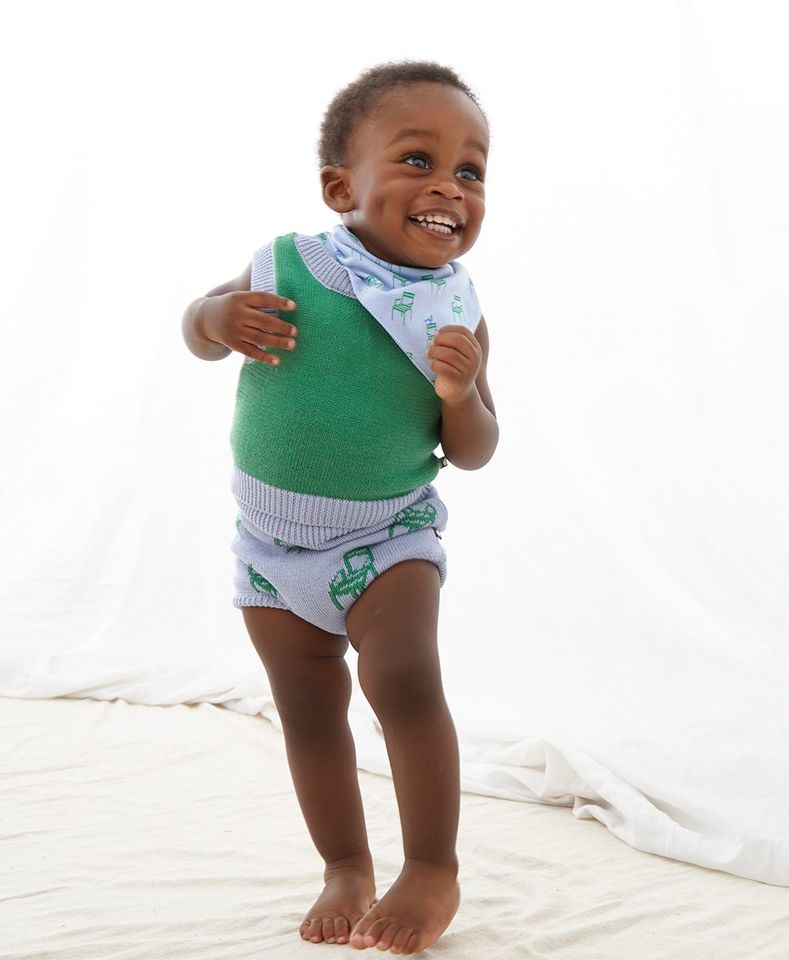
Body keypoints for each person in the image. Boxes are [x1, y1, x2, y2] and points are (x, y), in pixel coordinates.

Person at [181, 60, 499, 955]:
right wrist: (215, 320)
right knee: (310, 711)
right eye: (418, 160)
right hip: (269, 550)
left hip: (386, 539)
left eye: (471, 170)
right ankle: (345, 866)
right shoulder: (285, 263)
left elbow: (475, 450)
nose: (450, 185)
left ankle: (431, 868)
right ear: (340, 188)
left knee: (404, 682)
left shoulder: (454, 309)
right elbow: (197, 328)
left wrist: (460, 393)